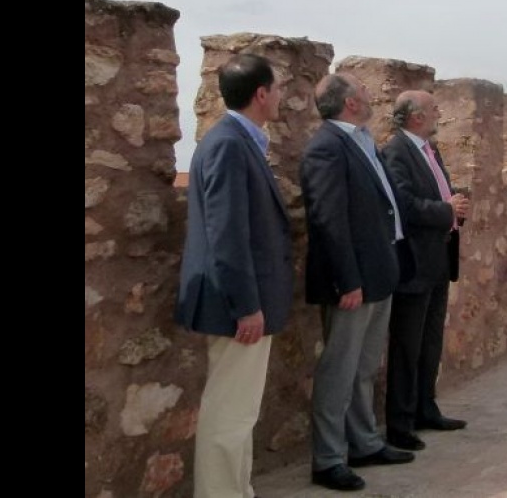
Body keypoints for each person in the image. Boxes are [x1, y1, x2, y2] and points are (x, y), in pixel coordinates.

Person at [174, 53, 292, 498]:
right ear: (261, 94)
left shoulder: (239, 140)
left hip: (243, 302)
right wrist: (247, 306)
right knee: (229, 415)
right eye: (278, 88)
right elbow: (226, 235)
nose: (281, 95)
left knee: (240, 413)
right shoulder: (227, 144)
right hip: (236, 305)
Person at [300, 74, 414, 492]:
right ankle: (328, 458)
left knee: (364, 366)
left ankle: (364, 441)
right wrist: (347, 280)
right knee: (339, 368)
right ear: (349, 102)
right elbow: (328, 220)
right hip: (352, 281)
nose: (370, 96)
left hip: (379, 273)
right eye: (363, 91)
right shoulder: (326, 147)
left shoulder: (363, 141)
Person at [380, 90, 472, 452]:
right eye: (434, 109)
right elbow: (404, 204)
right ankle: (400, 424)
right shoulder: (396, 152)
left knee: (430, 341)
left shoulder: (429, 150)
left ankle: (425, 407)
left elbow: (437, 195)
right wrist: (447, 210)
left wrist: (454, 207)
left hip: (438, 259)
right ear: (416, 116)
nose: (439, 113)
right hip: (415, 262)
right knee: (407, 344)